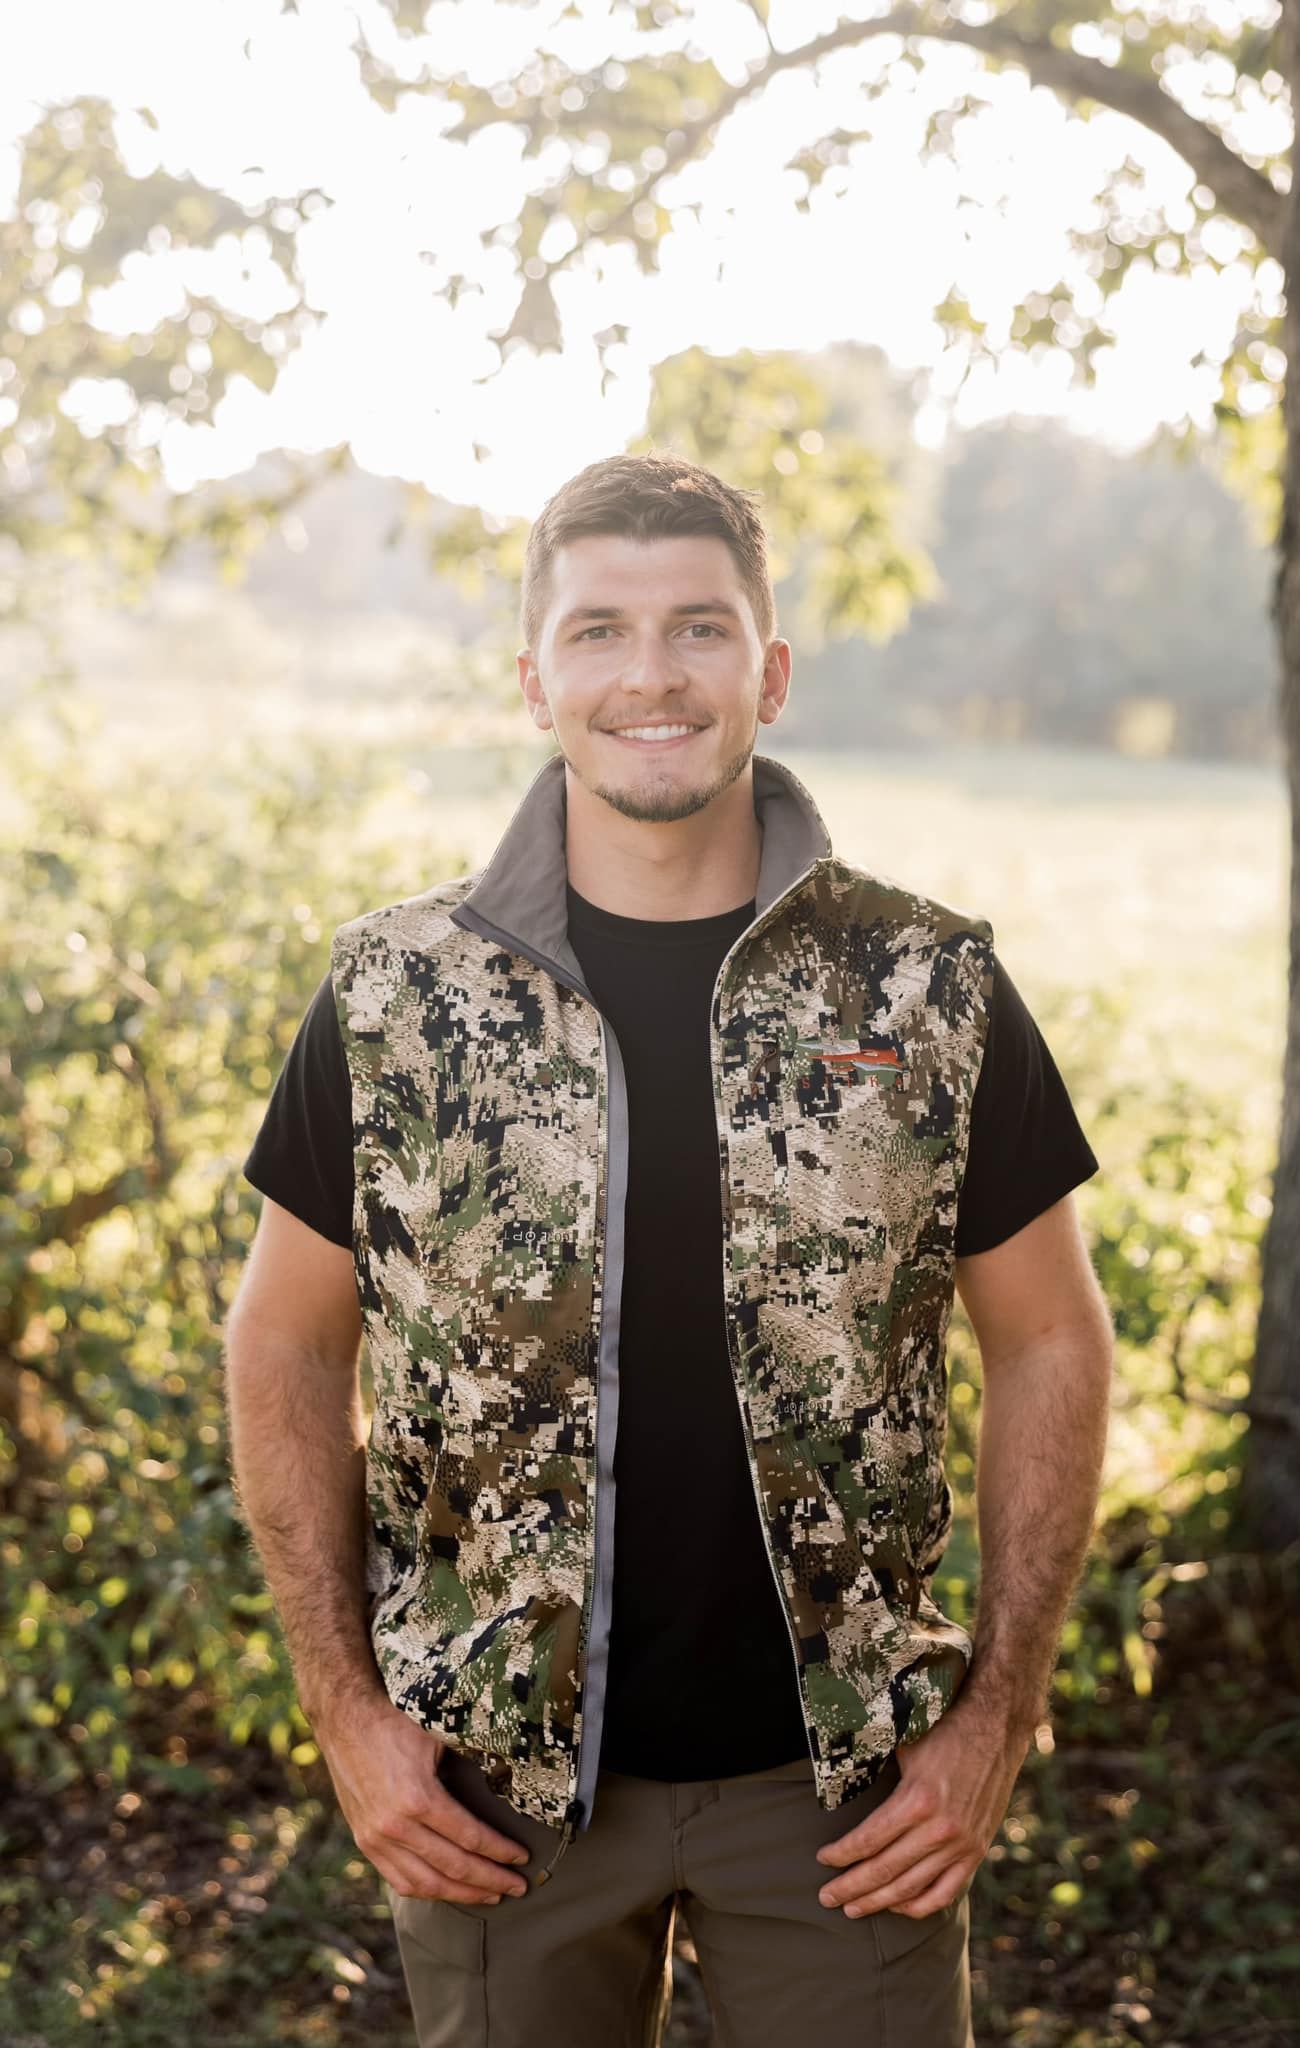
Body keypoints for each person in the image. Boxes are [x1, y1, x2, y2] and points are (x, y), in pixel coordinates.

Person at [225, 450, 1112, 2047]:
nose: (650, 674)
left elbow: (1051, 1337)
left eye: (699, 628)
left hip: (849, 1795)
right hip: (495, 1794)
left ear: (768, 671)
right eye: (598, 632)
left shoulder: (927, 988)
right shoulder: (394, 996)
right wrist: (350, 1717)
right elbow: (285, 1341)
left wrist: (994, 1719)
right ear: (533, 678)